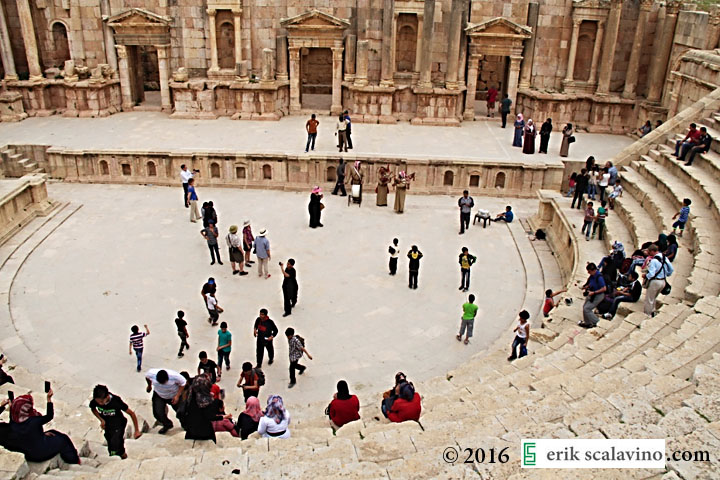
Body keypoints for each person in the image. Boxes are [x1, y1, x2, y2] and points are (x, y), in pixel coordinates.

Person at [9, 391, 80, 464]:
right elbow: (49, 416)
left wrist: (10, 406)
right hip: (40, 453)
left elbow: (28, 432)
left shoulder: (13, 422)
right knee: (63, 439)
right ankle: (73, 460)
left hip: (28, 454)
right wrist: (49, 399)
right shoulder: (34, 421)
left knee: (52, 432)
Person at [90, 384, 141, 459]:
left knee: (116, 443)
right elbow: (93, 409)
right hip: (108, 425)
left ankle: (122, 457)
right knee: (110, 444)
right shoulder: (95, 401)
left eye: (101, 402)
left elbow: (131, 414)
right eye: (98, 402)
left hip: (119, 424)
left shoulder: (116, 401)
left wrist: (136, 430)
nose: (100, 404)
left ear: (107, 397)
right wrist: (101, 420)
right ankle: (120, 456)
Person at [145, 368, 187, 434]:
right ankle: (167, 424)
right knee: (158, 413)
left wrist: (177, 396)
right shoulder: (151, 373)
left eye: (164, 383)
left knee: (181, 412)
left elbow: (183, 383)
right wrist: (149, 386)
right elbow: (147, 377)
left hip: (173, 395)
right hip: (159, 395)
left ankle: (186, 426)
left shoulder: (174, 376)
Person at [184, 374, 223, 442]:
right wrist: (223, 417)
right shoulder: (209, 401)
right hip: (204, 431)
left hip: (191, 429)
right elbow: (210, 416)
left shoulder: (190, 396)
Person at [643, 244, 673, 317]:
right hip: (663, 281)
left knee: (649, 299)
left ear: (653, 251)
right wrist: (666, 274)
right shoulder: (665, 258)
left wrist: (645, 276)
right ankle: (653, 311)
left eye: (649, 252)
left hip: (655, 282)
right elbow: (671, 269)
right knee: (653, 298)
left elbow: (651, 274)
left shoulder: (654, 261)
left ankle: (647, 315)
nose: (649, 254)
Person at [580, 263, 606, 328]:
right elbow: (591, 283)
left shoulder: (599, 277)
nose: (588, 272)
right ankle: (587, 323)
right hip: (591, 293)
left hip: (597, 295)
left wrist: (594, 292)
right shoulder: (592, 276)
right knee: (584, 307)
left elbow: (604, 288)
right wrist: (586, 286)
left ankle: (597, 322)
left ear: (593, 270)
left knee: (587, 309)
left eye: (589, 271)